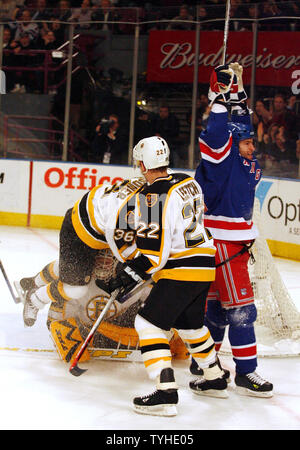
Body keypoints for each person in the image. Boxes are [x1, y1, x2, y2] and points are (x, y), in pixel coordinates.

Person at [107, 136, 229, 417]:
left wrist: (128, 273)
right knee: (190, 327)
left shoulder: (152, 196)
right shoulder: (188, 182)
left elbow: (154, 256)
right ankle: (215, 378)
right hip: (204, 266)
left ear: (142, 164)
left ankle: (165, 392)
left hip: (181, 270)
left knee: (147, 323)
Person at [194, 63, 273, 398]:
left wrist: (237, 92)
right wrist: (219, 97)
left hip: (220, 243)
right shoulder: (221, 159)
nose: (253, 148)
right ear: (232, 145)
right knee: (240, 310)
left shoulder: (242, 161)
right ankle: (245, 372)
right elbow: (215, 134)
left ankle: (205, 366)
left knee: (215, 309)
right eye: (247, 143)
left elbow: (239, 127)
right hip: (223, 245)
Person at [22, 176, 145, 329]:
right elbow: (129, 248)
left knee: (75, 266)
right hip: (81, 230)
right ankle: (35, 298)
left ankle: (35, 281)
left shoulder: (152, 189)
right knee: (76, 289)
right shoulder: (136, 210)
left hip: (96, 220)